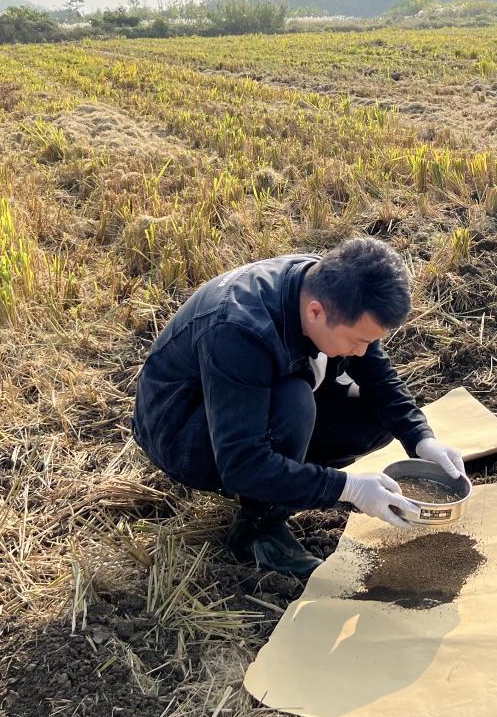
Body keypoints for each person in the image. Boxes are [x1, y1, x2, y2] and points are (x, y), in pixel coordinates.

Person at [131, 237, 465, 577]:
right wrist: (346, 488)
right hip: (182, 432)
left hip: (245, 401)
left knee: (374, 416)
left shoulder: (331, 286)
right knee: (294, 401)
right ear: (315, 312)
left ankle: (286, 474)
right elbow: (240, 464)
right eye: (358, 340)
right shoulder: (240, 331)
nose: (363, 351)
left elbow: (378, 377)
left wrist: (421, 438)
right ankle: (259, 528)